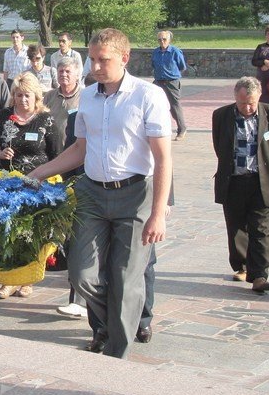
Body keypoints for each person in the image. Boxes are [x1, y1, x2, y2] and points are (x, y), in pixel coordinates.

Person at [29, 28, 172, 359]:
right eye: (91, 59)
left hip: (136, 194)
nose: (94, 68)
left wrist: (158, 211)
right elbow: (79, 150)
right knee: (81, 273)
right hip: (92, 193)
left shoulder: (148, 96)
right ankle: (111, 323)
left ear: (124, 57)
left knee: (126, 278)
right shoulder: (89, 98)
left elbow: (163, 158)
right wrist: (37, 174)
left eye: (102, 60)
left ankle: (114, 355)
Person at [0, 73, 60, 299]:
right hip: (7, 185)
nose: (23, 100)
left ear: (36, 96)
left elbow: (57, 154)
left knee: (30, 233)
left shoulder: (46, 121)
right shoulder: (3, 117)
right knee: (8, 232)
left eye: (27, 95)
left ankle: (28, 280)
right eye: (18, 95)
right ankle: (9, 280)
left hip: (38, 187)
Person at [212, 77, 269, 294]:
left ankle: (260, 275)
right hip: (233, 180)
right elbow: (220, 146)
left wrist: (266, 169)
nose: (247, 107)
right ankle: (241, 265)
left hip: (261, 181)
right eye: (242, 102)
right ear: (235, 97)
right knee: (236, 226)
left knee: (261, 228)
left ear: (259, 97)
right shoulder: (221, 115)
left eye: (251, 102)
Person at [152, 30, 188, 141]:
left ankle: (182, 129)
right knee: (155, 105)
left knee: (174, 106)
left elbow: (182, 66)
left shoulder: (175, 51)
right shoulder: (155, 52)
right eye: (159, 39)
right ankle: (157, 129)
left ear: (169, 40)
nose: (162, 41)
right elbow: (153, 65)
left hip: (172, 82)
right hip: (158, 82)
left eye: (164, 39)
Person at [44, 54, 82, 152]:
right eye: (60, 71)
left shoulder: (85, 96)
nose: (63, 74)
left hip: (75, 150)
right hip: (52, 149)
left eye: (67, 71)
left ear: (77, 75)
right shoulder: (49, 96)